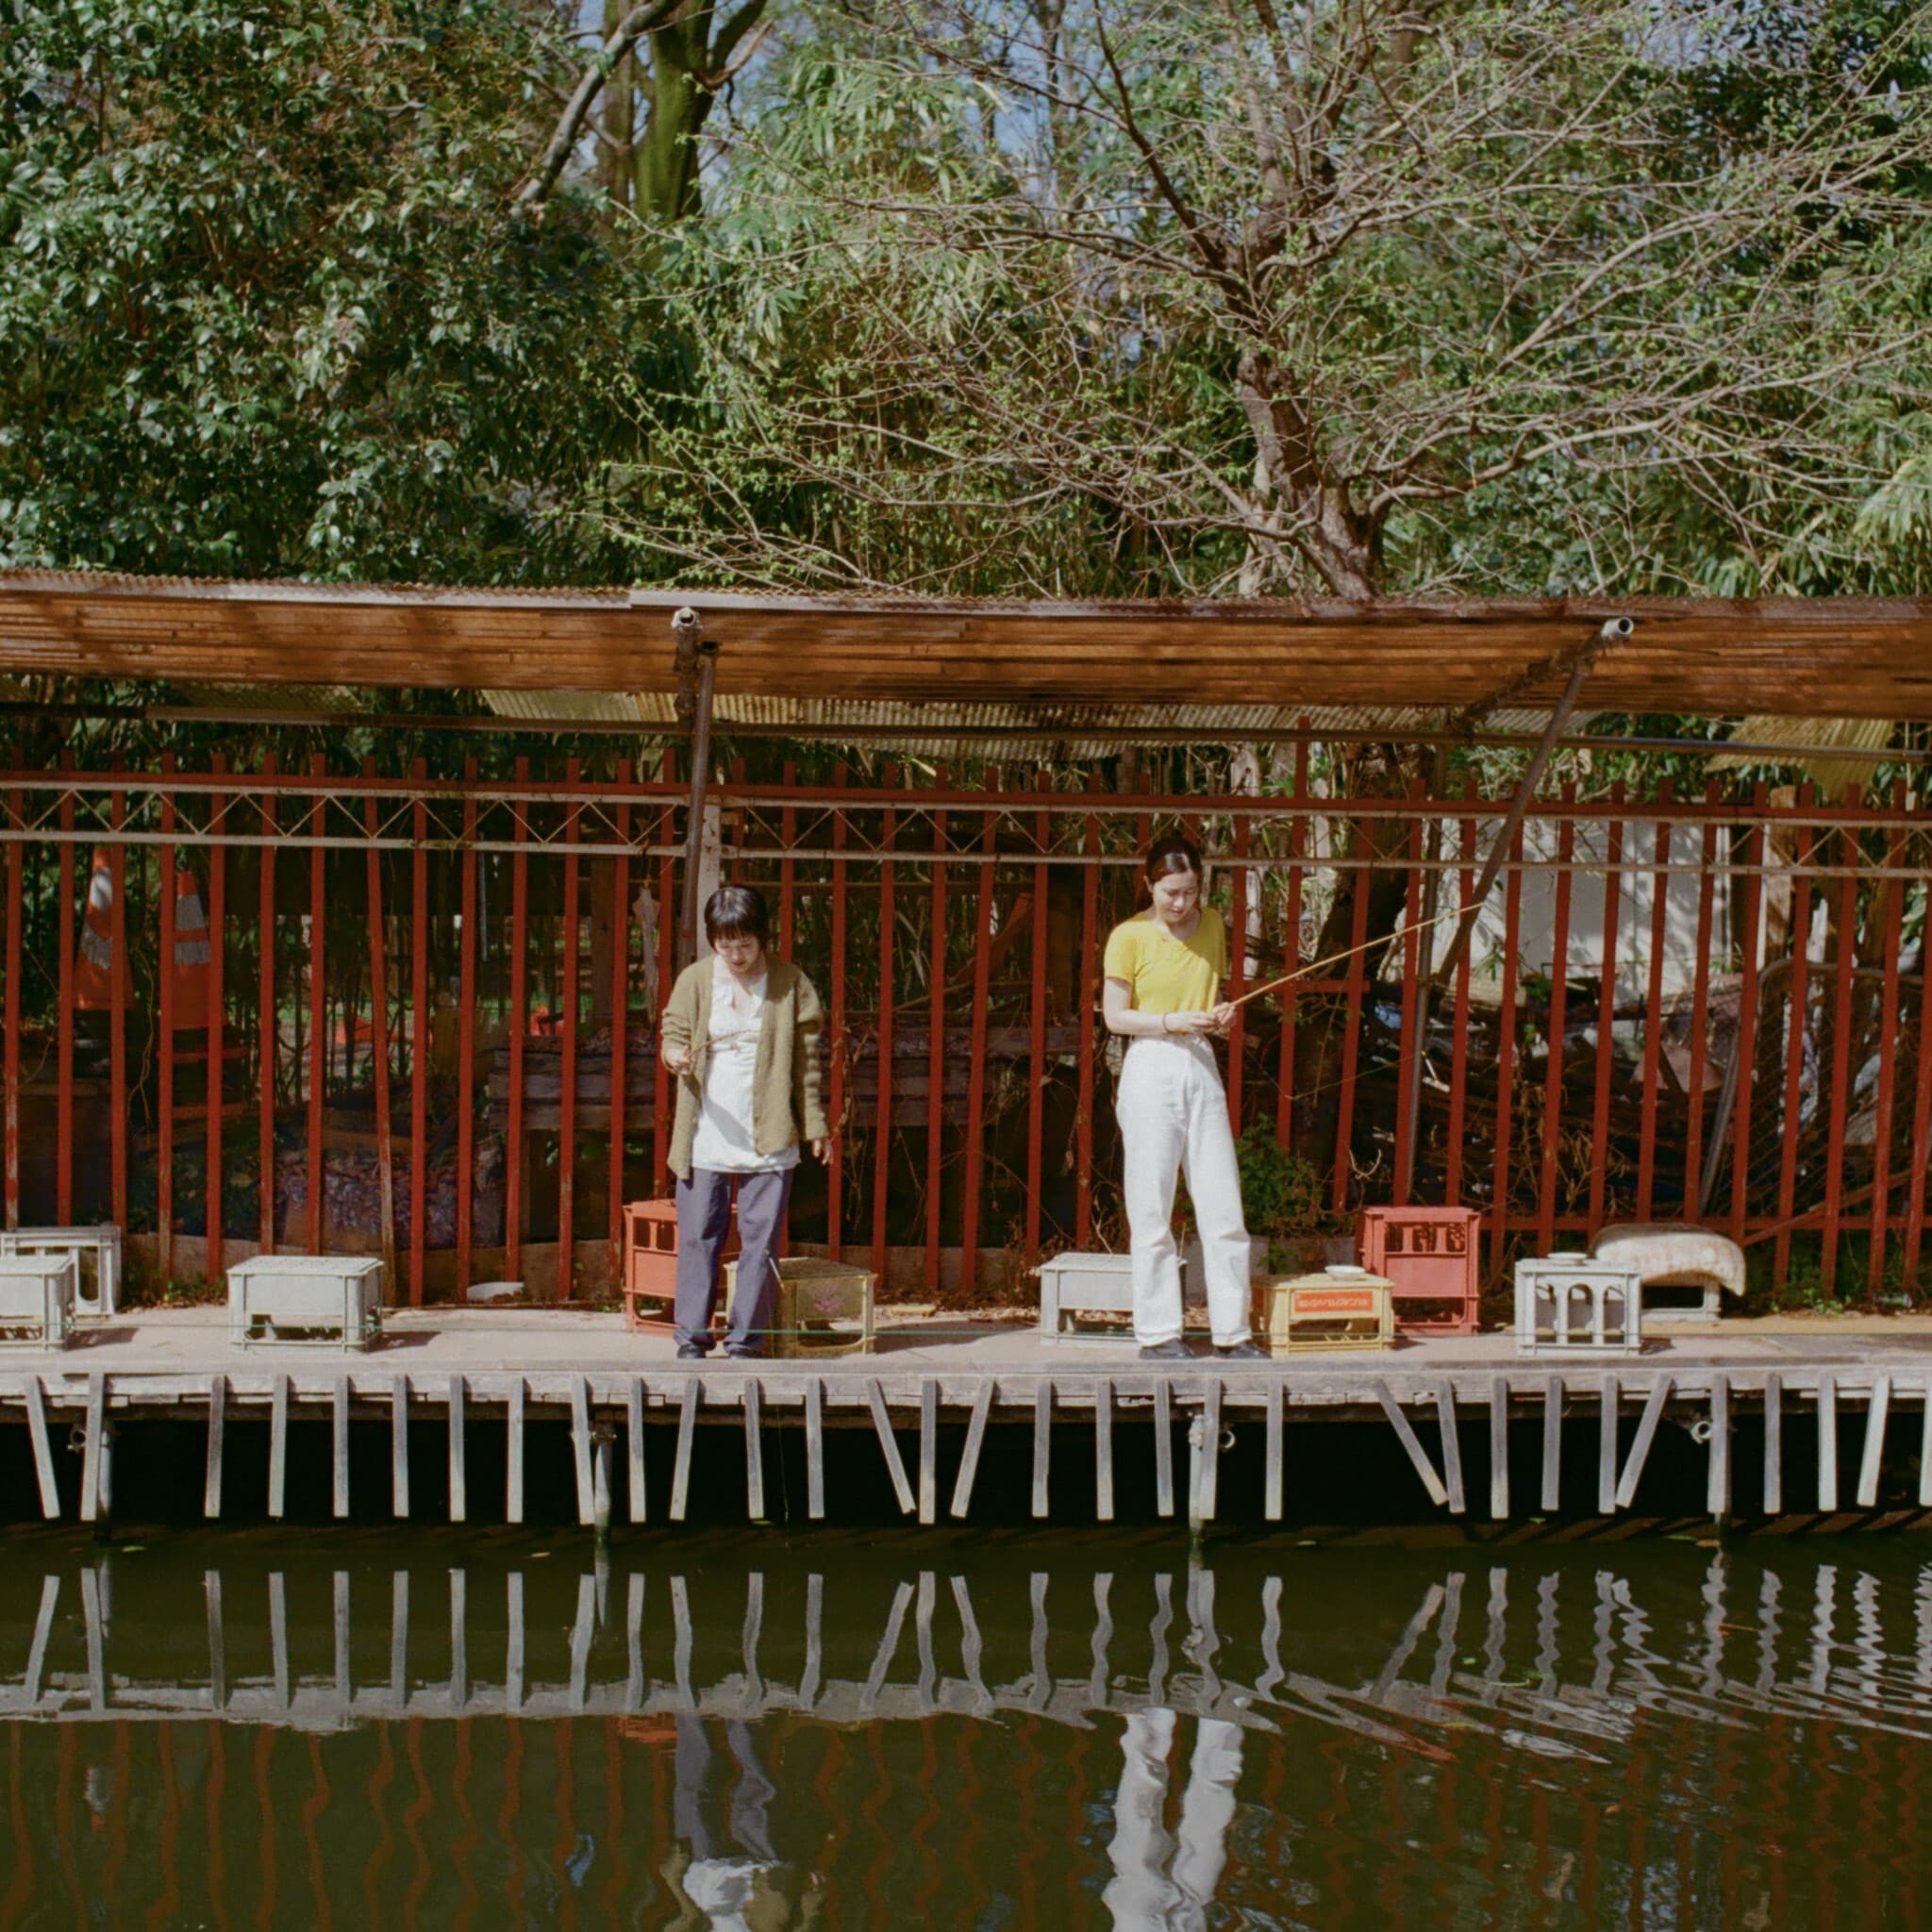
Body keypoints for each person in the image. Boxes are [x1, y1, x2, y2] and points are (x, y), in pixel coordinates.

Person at [1102, 835, 1264, 1362]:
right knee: (1151, 1205)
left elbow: (1211, 997)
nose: (1180, 902)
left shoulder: (1212, 924)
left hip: (1199, 1058)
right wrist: (1172, 1020)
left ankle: (1233, 1333)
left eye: (1190, 891)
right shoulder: (1128, 935)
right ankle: (1157, 1333)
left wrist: (1222, 1014)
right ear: (1149, 885)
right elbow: (1115, 1017)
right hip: (1150, 1061)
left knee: (1223, 1203)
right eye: (1170, 892)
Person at [659, 885, 830, 1360]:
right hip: (706, 1131)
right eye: (725, 944)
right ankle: (691, 1337)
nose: (736, 955)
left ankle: (746, 1341)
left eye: (745, 944)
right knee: (698, 1237)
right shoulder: (695, 980)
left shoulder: (790, 983)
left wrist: (815, 1126)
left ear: (763, 937)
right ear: (712, 940)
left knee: (761, 1243)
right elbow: (672, 1032)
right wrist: (674, 1054)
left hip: (769, 1131)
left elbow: (807, 1065)